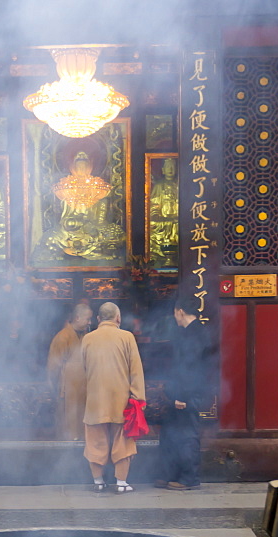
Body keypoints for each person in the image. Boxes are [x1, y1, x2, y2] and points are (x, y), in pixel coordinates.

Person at [81, 301, 145, 494]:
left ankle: (98, 481)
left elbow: (84, 369)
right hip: (121, 400)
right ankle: (121, 482)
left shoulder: (87, 339)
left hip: (95, 399)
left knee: (95, 440)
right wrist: (138, 397)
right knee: (123, 440)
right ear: (118, 318)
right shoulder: (127, 337)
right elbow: (136, 370)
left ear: (98, 319)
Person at [155, 295, 210, 491]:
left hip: (189, 393)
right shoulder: (190, 332)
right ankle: (169, 474)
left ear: (180, 311)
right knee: (170, 434)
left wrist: (183, 396)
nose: (174, 317)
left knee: (187, 436)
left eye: (175, 313)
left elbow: (192, 368)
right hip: (181, 391)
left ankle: (189, 478)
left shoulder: (196, 334)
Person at [47, 303, 93, 440]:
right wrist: (55, 386)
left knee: (82, 422)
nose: (90, 322)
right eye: (88, 319)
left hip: (84, 389)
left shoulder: (87, 336)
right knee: (68, 422)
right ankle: (65, 454)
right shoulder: (62, 337)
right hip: (68, 389)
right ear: (77, 318)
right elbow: (53, 366)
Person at [149, 157, 179, 266]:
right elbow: (154, 205)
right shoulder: (159, 186)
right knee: (152, 225)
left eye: (173, 167)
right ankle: (160, 256)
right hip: (163, 219)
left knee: (180, 225)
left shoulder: (180, 185)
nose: (170, 170)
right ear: (162, 170)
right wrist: (156, 215)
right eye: (168, 167)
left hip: (177, 218)